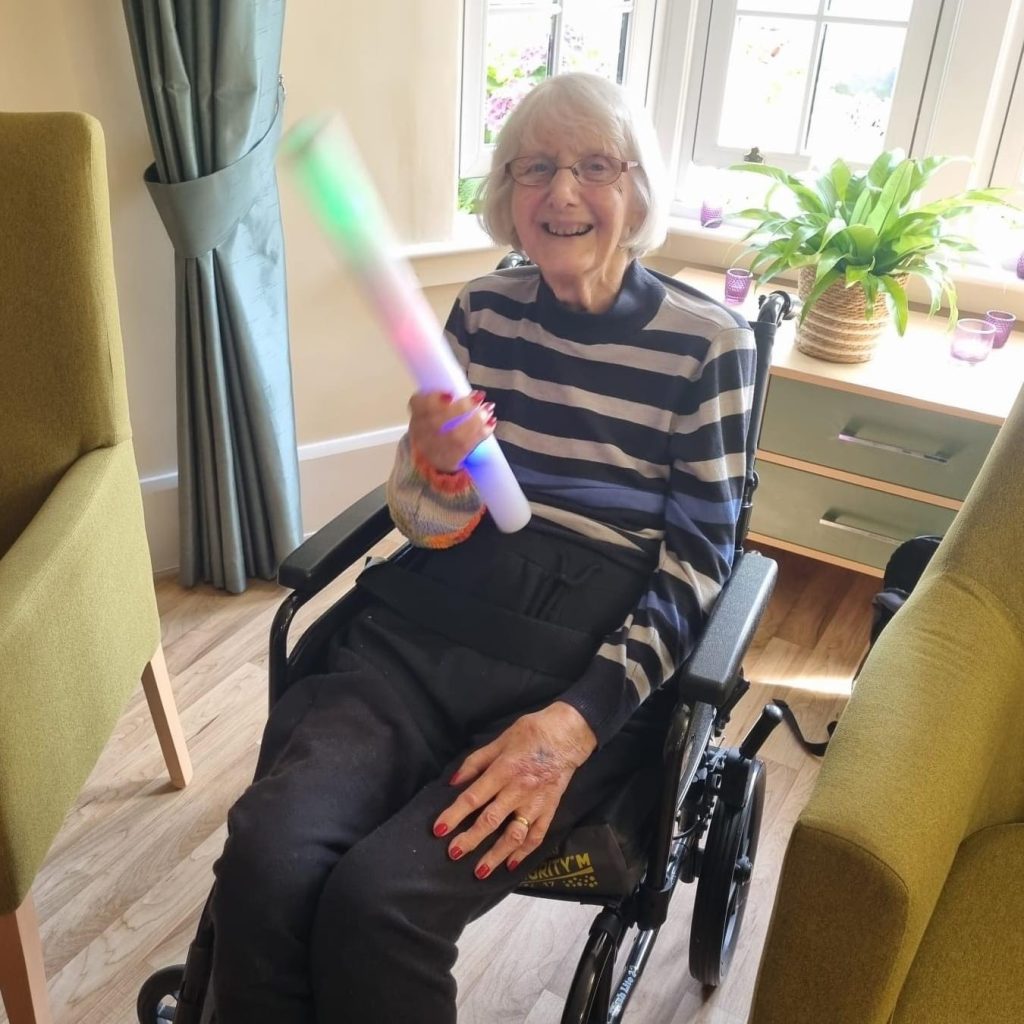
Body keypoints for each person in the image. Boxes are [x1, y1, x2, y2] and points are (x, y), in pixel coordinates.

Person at [210, 72, 756, 1023]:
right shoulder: (482, 313)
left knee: (381, 906)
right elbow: (425, 525)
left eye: (595, 166)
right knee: (268, 854)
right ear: (507, 197)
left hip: (581, 661)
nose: (563, 194)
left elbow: (702, 562)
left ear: (637, 190)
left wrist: (575, 725)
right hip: (424, 632)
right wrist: (431, 474)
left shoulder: (707, 345)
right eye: (534, 168)